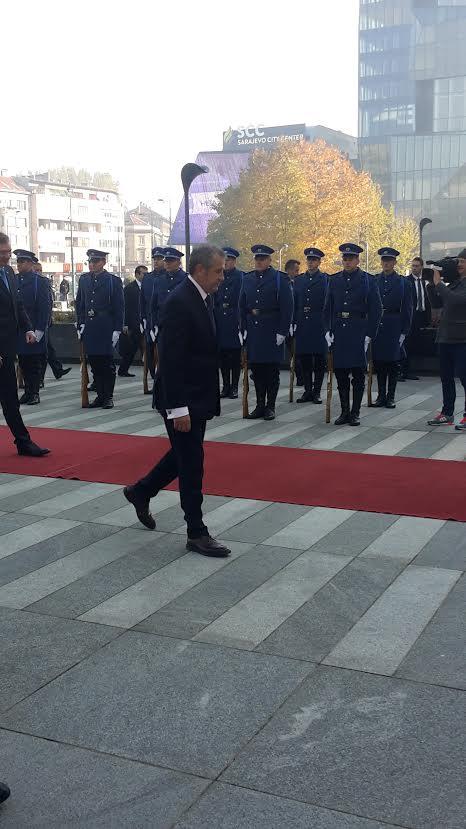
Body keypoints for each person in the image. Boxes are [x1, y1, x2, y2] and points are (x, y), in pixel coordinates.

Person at [124, 244, 231, 557]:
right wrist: (179, 408)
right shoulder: (179, 302)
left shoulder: (201, 298)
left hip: (195, 396)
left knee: (182, 456)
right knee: (192, 463)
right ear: (200, 270)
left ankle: (140, 491)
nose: (222, 277)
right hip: (180, 399)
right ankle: (196, 532)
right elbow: (169, 361)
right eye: (218, 271)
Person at [0, 233, 49, 455]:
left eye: (8, 252)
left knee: (10, 396)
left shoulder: (8, 273)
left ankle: (23, 441)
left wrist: (28, 328)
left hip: (7, 347)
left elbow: (17, 305)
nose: (8, 257)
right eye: (2, 253)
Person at [323, 243, 383, 426]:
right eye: (345, 259)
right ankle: (344, 411)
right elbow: (328, 308)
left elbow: (377, 309)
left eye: (350, 259)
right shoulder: (334, 280)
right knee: (340, 374)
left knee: (357, 374)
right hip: (340, 330)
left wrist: (370, 334)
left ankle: (355, 412)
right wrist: (327, 330)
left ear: (357, 260)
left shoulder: (367, 280)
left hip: (358, 329)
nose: (347, 262)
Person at [239, 244, 294, 421]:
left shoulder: (279, 278)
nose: (259, 261)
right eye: (257, 258)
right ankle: (259, 405)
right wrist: (242, 328)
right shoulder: (247, 279)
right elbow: (242, 305)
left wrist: (282, 331)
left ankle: (270, 406)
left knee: (271, 371)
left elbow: (288, 307)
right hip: (254, 330)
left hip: (271, 329)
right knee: (256, 371)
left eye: (262, 259)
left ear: (269, 260)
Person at [75, 249, 124, 409]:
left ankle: (108, 396)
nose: (92, 265)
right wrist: (80, 323)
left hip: (105, 326)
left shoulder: (113, 281)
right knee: (95, 363)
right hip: (90, 326)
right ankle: (100, 396)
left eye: (95, 262)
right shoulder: (84, 280)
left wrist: (117, 329)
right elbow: (80, 304)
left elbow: (119, 307)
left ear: (103, 262)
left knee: (107, 364)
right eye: (90, 262)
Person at [427, 251, 466, 430]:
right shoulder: (455, 283)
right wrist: (431, 284)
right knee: (446, 378)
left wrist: (438, 283)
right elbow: (437, 303)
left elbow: (456, 300)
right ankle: (447, 413)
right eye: (458, 261)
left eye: (463, 262)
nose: (459, 264)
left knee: (465, 378)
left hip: (462, 339)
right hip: (445, 338)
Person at [372, 247, 413, 408]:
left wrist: (404, 331)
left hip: (394, 324)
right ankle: (381, 395)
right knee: (379, 362)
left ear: (395, 262)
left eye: (389, 260)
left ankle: (391, 396)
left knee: (393, 363)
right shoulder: (375, 280)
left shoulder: (403, 282)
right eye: (384, 260)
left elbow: (408, 308)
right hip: (378, 325)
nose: (386, 263)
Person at [14, 250, 50, 406]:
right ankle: (27, 392)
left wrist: (40, 330)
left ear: (30, 264)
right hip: (19, 329)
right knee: (23, 361)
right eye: (18, 262)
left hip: (34, 327)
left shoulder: (40, 282)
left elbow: (45, 307)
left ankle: (34, 393)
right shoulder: (14, 280)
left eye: (22, 262)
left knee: (34, 363)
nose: (19, 265)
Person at [293, 247, 329, 404]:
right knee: (304, 358)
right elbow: (294, 303)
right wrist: (293, 322)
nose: (310, 262)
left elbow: (328, 304)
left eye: (314, 260)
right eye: (309, 260)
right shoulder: (299, 280)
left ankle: (317, 391)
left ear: (319, 262)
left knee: (320, 359)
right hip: (303, 322)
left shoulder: (325, 280)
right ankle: (307, 390)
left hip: (318, 322)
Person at [214, 246, 243, 399]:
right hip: (220, 318)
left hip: (233, 317)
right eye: (224, 260)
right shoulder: (217, 275)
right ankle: (225, 386)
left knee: (235, 357)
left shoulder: (241, 277)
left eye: (229, 260)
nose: (226, 263)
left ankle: (234, 387)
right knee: (223, 357)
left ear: (234, 261)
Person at [36, 262, 71, 383]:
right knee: (45, 351)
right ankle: (43, 376)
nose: (39, 272)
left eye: (40, 270)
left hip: (45, 322)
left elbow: (48, 302)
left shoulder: (43, 282)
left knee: (48, 349)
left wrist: (49, 317)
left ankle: (57, 370)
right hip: (35, 324)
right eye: (37, 270)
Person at [401, 256, 431, 380]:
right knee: (406, 343)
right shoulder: (406, 281)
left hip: (421, 316)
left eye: (417, 266)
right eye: (413, 266)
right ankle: (402, 370)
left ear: (421, 267)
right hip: (409, 316)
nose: (414, 268)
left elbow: (428, 300)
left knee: (414, 344)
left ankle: (409, 370)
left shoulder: (426, 282)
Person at [149, 247, 186, 344]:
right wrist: (154, 324)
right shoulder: (159, 280)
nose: (167, 263)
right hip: (163, 326)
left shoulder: (186, 279)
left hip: (181, 327)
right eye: (166, 261)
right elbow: (154, 305)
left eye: (171, 261)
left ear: (179, 262)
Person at [140, 246, 165, 386]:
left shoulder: (167, 277)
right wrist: (142, 318)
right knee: (149, 349)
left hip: (163, 319)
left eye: (159, 259)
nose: (156, 262)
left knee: (163, 349)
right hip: (149, 320)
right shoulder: (147, 278)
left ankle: (162, 374)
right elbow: (142, 300)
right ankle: (152, 374)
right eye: (155, 259)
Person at [118, 265, 146, 377]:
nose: (145, 276)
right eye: (144, 273)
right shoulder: (129, 288)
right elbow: (124, 307)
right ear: (137, 274)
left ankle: (153, 373)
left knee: (147, 350)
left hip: (144, 323)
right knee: (131, 350)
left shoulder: (147, 287)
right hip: (133, 324)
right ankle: (123, 370)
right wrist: (124, 324)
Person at [284, 259, 304, 388]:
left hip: (298, 322)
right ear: (289, 270)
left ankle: (301, 377)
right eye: (295, 270)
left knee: (297, 352)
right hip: (284, 323)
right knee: (292, 352)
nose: (297, 273)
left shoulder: (299, 283)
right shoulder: (282, 283)